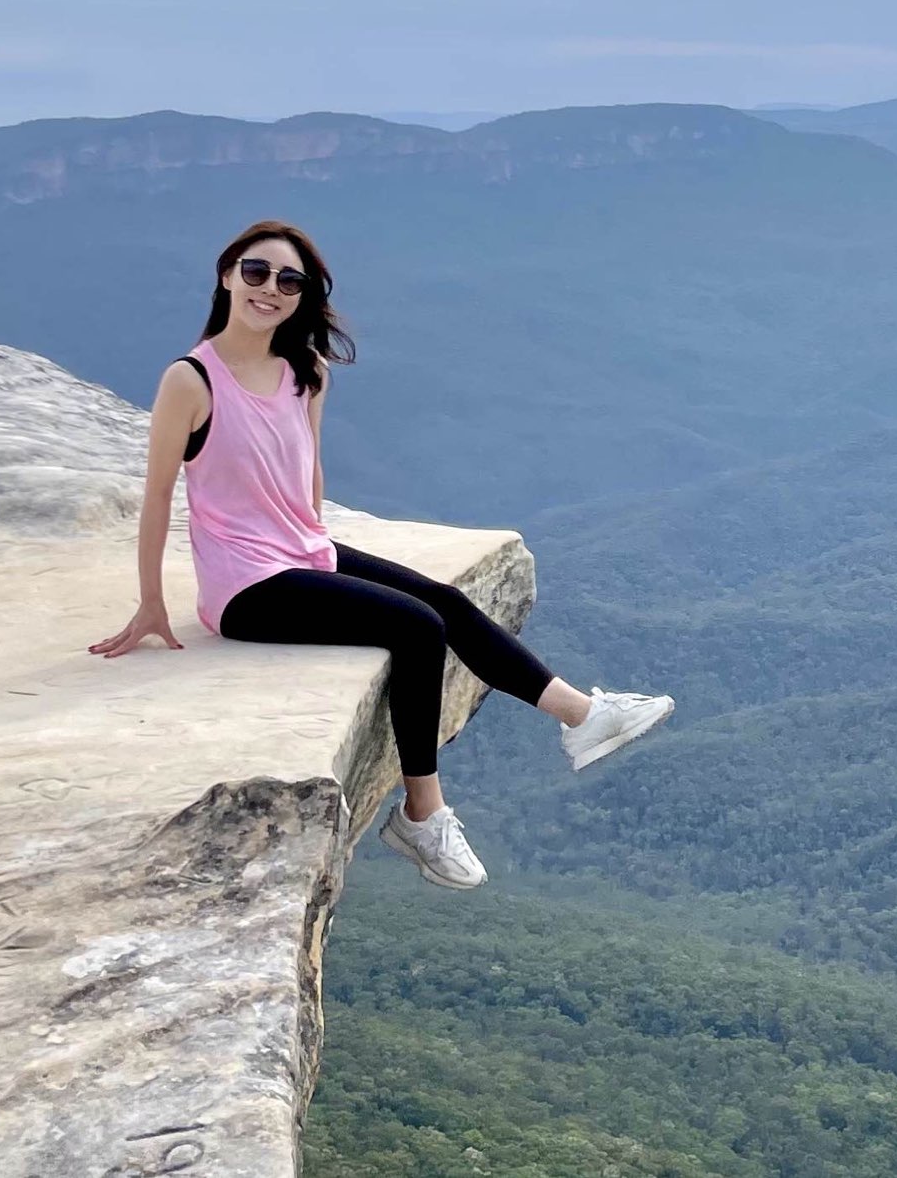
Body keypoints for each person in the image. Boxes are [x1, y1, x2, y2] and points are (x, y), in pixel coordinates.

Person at [89, 218, 671, 888]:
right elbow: (159, 493)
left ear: (302, 297)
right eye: (255, 271)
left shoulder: (302, 372)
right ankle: (423, 814)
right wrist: (152, 604)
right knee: (416, 626)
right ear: (226, 275)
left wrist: (313, 536)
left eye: (288, 280)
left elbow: (307, 470)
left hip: (301, 552)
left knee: (447, 600)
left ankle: (583, 716)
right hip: (245, 586)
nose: (269, 289)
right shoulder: (191, 380)